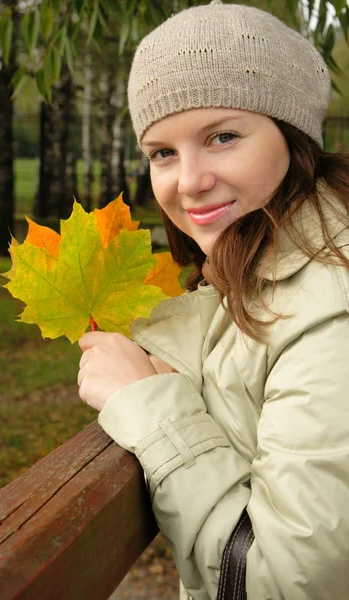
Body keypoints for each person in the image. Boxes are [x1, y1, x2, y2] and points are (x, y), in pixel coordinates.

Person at [77, 1, 349, 598]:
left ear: (293, 136)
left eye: (223, 136)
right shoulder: (249, 274)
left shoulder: (334, 306)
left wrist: (146, 403)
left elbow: (284, 582)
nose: (188, 180)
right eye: (162, 152)